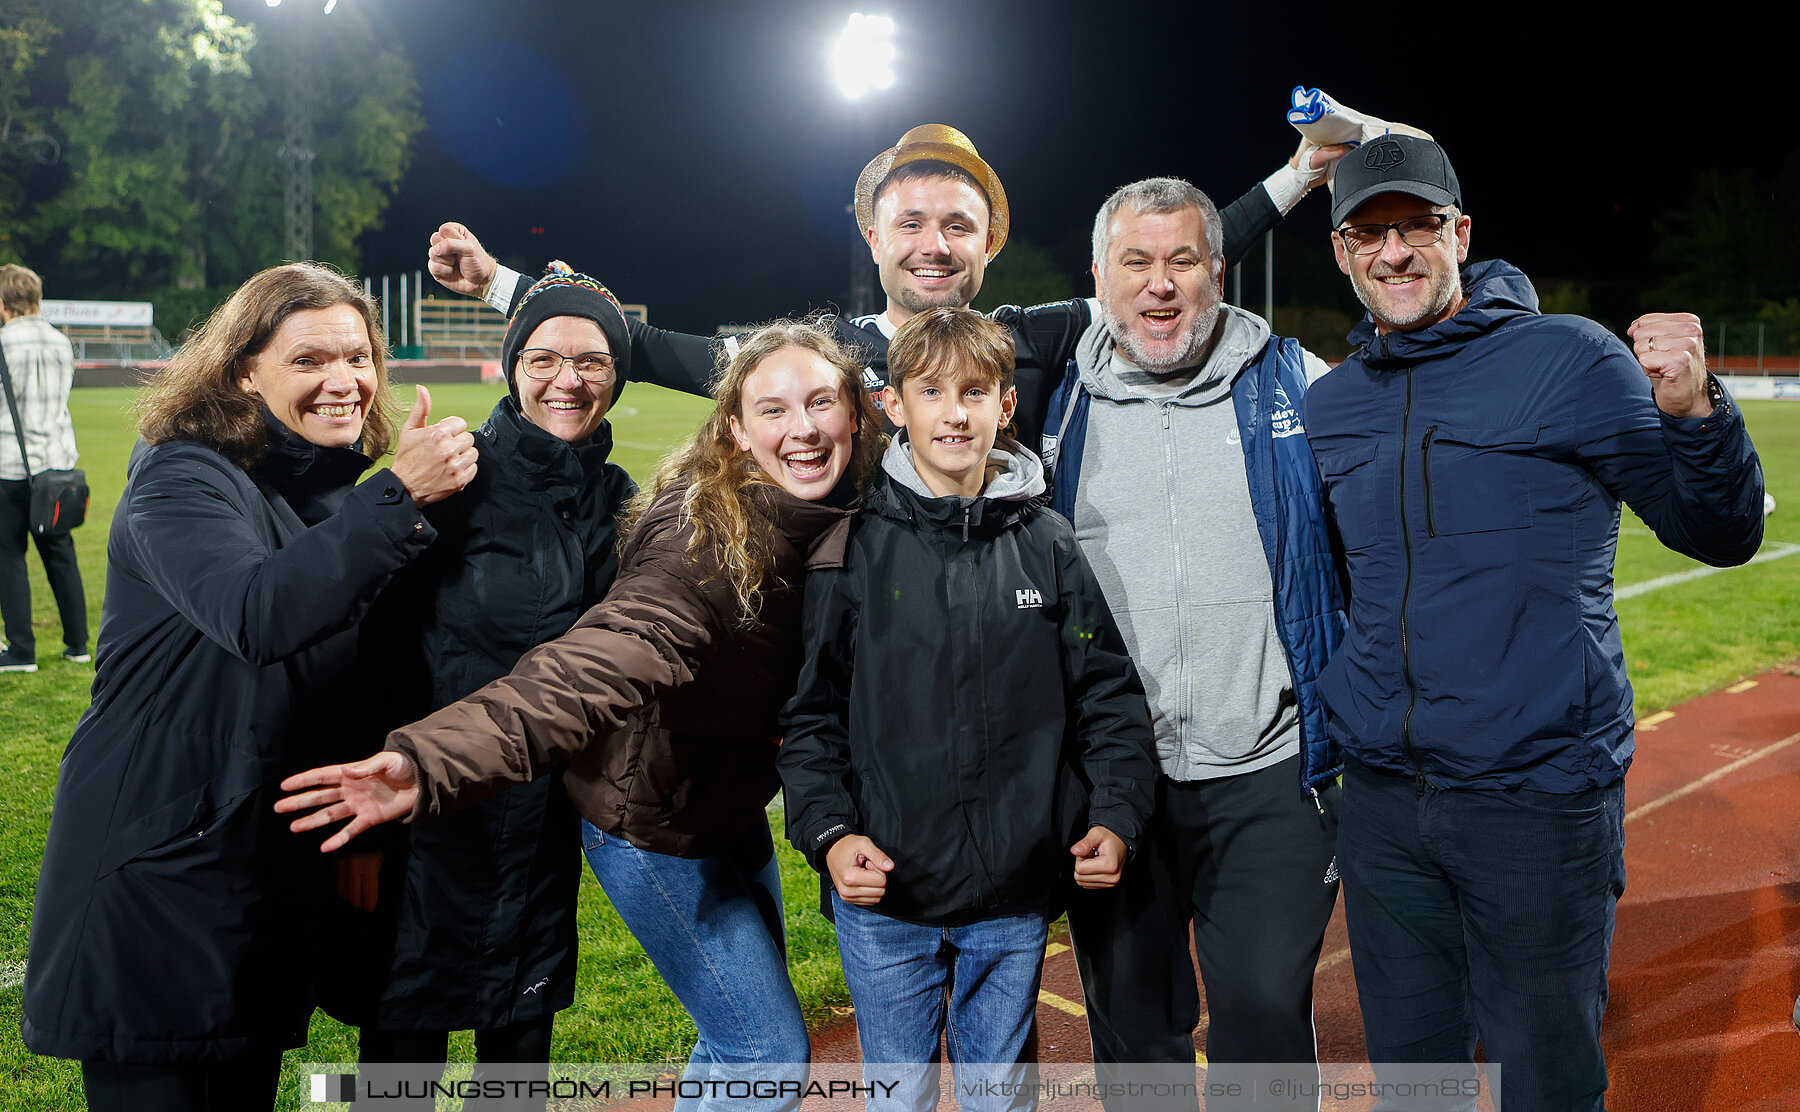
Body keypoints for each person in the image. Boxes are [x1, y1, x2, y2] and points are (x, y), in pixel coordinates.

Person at [277, 319, 884, 1112]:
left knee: (721, 1036)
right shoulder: (701, 535)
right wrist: (422, 765)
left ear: (858, 413)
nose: (801, 429)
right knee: (762, 1050)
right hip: (644, 818)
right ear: (734, 429)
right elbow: (598, 661)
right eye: (772, 410)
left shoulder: (824, 502)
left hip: (713, 804)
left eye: (820, 403)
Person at [1303, 134, 1765, 1110]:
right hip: (1384, 808)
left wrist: (1697, 411)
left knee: (1544, 1080)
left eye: (1417, 226)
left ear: (1460, 234)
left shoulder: (1571, 359)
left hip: (1537, 802)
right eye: (1367, 233)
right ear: (1341, 253)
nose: (1394, 253)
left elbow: (1719, 534)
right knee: (1414, 1080)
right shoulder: (1334, 404)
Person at [20, 261, 477, 1112]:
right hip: (154, 872)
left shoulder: (323, 485)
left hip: (251, 879)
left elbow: (352, 675)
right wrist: (399, 494)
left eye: (358, 356)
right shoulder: (180, 475)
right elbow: (258, 614)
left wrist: (365, 835)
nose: (343, 380)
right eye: (308, 360)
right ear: (241, 371)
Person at [778, 306, 1157, 1110]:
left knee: (999, 1097)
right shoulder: (848, 548)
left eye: (976, 391)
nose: (955, 411)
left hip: (1013, 898)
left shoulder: (1049, 544)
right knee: (900, 1096)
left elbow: (1107, 692)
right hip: (888, 901)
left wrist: (1118, 816)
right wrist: (831, 835)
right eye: (932, 391)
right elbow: (810, 718)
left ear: (1006, 406)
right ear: (894, 406)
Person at [425, 123, 1346, 446]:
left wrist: (1300, 177)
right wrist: (505, 285)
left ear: (990, 244)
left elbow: (1173, 258)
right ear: (873, 237)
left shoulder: (1042, 335)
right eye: (910, 224)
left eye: (958, 226)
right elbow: (653, 351)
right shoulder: (826, 355)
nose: (934, 246)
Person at [1038, 178, 1344, 1109]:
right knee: (1134, 1033)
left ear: (1220, 269)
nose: (1160, 284)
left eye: (1183, 260)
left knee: (1261, 1019)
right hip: (1112, 782)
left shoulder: (1302, 384)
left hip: (1268, 769)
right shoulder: (1048, 404)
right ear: (1101, 276)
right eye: (1137, 261)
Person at [323, 268, 639, 1101]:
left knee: (516, 1075)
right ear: (510, 366)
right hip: (421, 823)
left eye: (593, 361)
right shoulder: (451, 480)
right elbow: (366, 659)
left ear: (618, 375)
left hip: (538, 836)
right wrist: (366, 836)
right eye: (544, 358)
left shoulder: (620, 502)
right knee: (399, 1072)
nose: (568, 380)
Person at [0, 263, 88, 671]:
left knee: (9, 557)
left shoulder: (4, 343)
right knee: (61, 553)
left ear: (3, 304)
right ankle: (78, 644)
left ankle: (21, 650)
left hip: (10, 465)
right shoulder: (61, 342)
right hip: (57, 466)